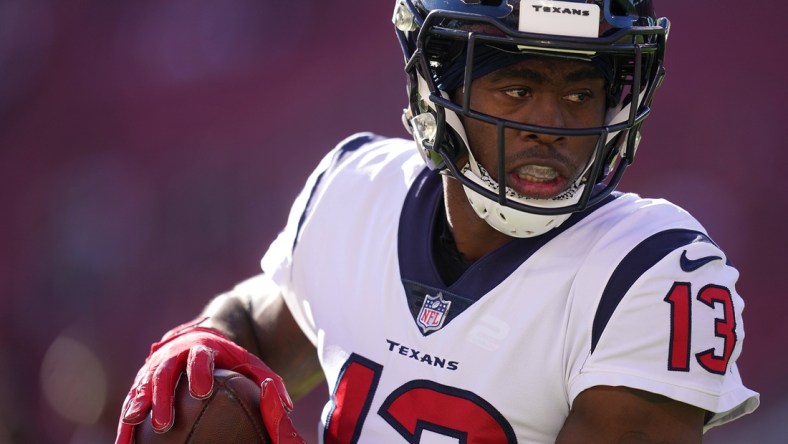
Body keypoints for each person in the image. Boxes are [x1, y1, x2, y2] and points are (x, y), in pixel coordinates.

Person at [116, 1, 760, 442]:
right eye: (517, 90)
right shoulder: (357, 186)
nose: (552, 126)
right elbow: (258, 320)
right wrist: (204, 338)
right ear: (437, 88)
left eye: (579, 93)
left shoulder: (652, 272)